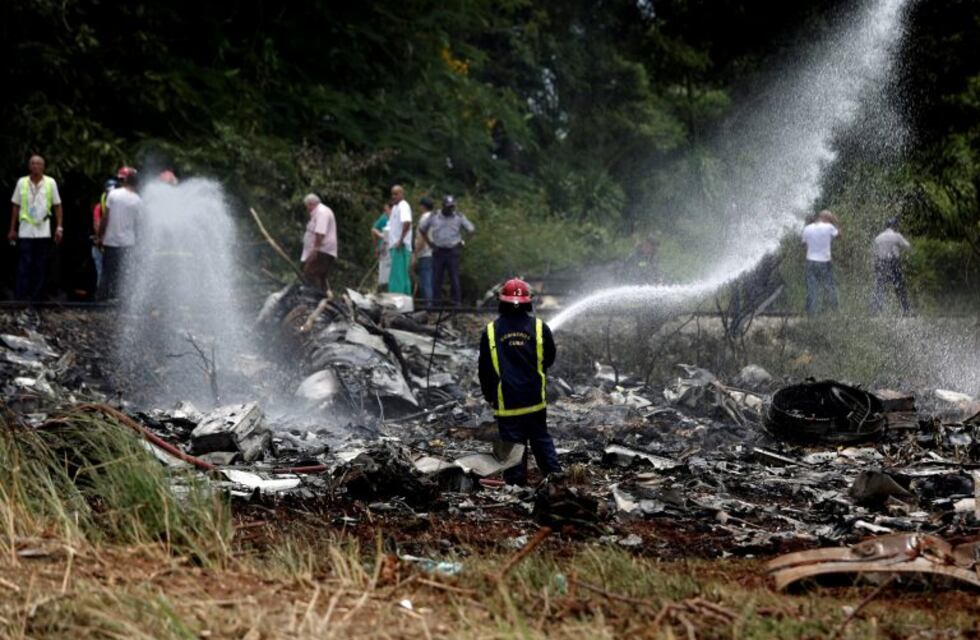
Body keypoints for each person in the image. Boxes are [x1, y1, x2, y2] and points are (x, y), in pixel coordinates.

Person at [478, 278, 561, 486]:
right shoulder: (540, 327)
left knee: (513, 448)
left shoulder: (490, 331)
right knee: (541, 440)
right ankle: (556, 480)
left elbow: (485, 370)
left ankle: (517, 489)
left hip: (507, 402)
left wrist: (489, 395)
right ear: (528, 302)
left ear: (501, 302)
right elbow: (549, 358)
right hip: (535, 400)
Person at [8, 155, 63, 301]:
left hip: (43, 229)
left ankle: (38, 296)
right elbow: (15, 206)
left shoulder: (50, 182)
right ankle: (21, 296)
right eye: (33, 163)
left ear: (43, 167)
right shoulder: (22, 182)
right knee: (24, 263)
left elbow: (57, 206)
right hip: (25, 229)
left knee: (41, 264)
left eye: (38, 164)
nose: (35, 166)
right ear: (29, 166)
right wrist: (12, 228)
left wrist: (59, 227)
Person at [419, 194, 475, 306]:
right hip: (438, 250)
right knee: (436, 278)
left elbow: (471, 230)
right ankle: (436, 303)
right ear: (443, 206)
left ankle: (456, 303)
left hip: (452, 250)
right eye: (448, 207)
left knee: (454, 278)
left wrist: (463, 242)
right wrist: (430, 243)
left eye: (452, 207)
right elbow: (422, 229)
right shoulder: (434, 216)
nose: (450, 209)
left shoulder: (458, 217)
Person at [97, 166, 141, 300]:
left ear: (125, 181)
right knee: (124, 273)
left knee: (107, 272)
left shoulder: (113, 194)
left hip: (110, 241)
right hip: (128, 242)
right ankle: (122, 299)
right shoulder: (137, 200)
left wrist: (100, 235)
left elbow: (105, 217)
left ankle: (103, 298)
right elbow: (138, 224)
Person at [801, 209, 841, 315]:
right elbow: (839, 235)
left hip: (810, 260)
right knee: (830, 286)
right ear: (827, 219)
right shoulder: (829, 227)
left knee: (812, 288)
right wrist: (836, 222)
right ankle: (835, 312)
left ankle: (811, 314)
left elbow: (804, 244)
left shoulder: (807, 228)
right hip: (824, 261)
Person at [871, 218, 911, 315]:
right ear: (894, 226)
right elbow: (908, 246)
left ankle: (875, 309)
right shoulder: (896, 236)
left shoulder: (878, 238)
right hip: (893, 263)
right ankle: (905, 309)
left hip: (881, 263)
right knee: (899, 287)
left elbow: (875, 253)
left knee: (880, 286)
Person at [300, 193, 337, 297]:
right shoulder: (319, 212)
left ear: (311, 204)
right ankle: (326, 298)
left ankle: (314, 299)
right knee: (321, 277)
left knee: (310, 273)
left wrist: (315, 250)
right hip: (322, 250)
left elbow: (320, 233)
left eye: (307, 206)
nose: (307, 209)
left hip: (322, 250)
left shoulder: (321, 212)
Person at [91, 178, 118, 290]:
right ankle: (102, 294)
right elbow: (97, 224)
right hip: (102, 245)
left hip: (114, 244)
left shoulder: (121, 206)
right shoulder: (99, 207)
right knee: (102, 272)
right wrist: (100, 238)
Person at [387, 185, 412, 295]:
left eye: (396, 194)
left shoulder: (403, 205)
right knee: (402, 274)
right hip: (396, 245)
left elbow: (407, 222)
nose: (394, 196)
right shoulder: (395, 207)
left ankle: (396, 298)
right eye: (392, 194)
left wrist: (401, 240)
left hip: (400, 246)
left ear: (402, 194)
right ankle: (406, 297)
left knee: (397, 275)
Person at [413, 196, 435, 305]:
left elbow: (422, 239)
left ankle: (429, 306)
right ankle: (432, 305)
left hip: (425, 253)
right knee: (431, 280)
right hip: (434, 253)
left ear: (422, 207)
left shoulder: (424, 219)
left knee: (425, 281)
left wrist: (415, 254)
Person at [371, 202, 391, 291]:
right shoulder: (384, 218)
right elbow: (373, 230)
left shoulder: (395, 219)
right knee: (383, 271)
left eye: (386, 210)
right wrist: (376, 247)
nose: (385, 212)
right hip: (384, 248)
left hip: (391, 249)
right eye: (385, 210)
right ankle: (382, 289)